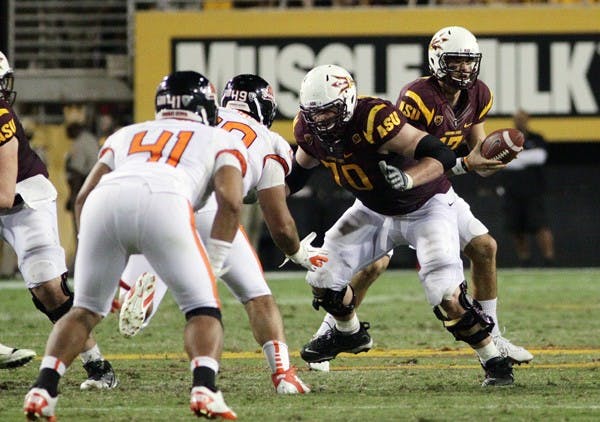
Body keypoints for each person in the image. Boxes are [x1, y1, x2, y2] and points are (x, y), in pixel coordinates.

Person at [23, 70, 247, 421]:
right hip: (167, 200)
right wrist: (216, 260)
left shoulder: (128, 132)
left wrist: (94, 258)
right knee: (203, 308)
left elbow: (82, 197)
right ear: (204, 106)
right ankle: (205, 388)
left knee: (83, 310)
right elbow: (231, 203)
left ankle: (43, 389)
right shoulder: (219, 138)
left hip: (103, 203)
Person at [307, 26, 534, 372]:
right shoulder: (417, 97)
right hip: (397, 189)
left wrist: (488, 161)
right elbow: (408, 159)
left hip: (433, 192)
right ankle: (333, 333)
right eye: (455, 61)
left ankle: (494, 336)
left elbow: (475, 153)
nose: (464, 70)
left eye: (468, 62)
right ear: (436, 61)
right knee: (367, 266)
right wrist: (462, 166)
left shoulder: (479, 95)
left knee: (485, 247)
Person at [116, 74, 327, 394]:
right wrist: (296, 252)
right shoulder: (269, 140)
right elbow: (279, 220)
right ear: (263, 108)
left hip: (160, 200)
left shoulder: (202, 116)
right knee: (257, 295)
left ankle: (146, 285)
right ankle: (283, 375)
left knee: (135, 306)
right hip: (215, 209)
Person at [0, 51, 117, 388]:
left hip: (24, 201)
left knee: (48, 288)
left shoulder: (1, 118)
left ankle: (97, 366)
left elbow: (5, 194)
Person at [501, 109, 555, 267]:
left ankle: (549, 260)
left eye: (522, 118)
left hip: (533, 191)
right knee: (516, 229)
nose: (519, 121)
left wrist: (514, 159)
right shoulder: (507, 140)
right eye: (517, 118)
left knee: (540, 226)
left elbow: (540, 157)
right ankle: (525, 260)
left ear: (528, 119)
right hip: (511, 191)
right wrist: (524, 159)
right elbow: (502, 162)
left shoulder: (536, 138)